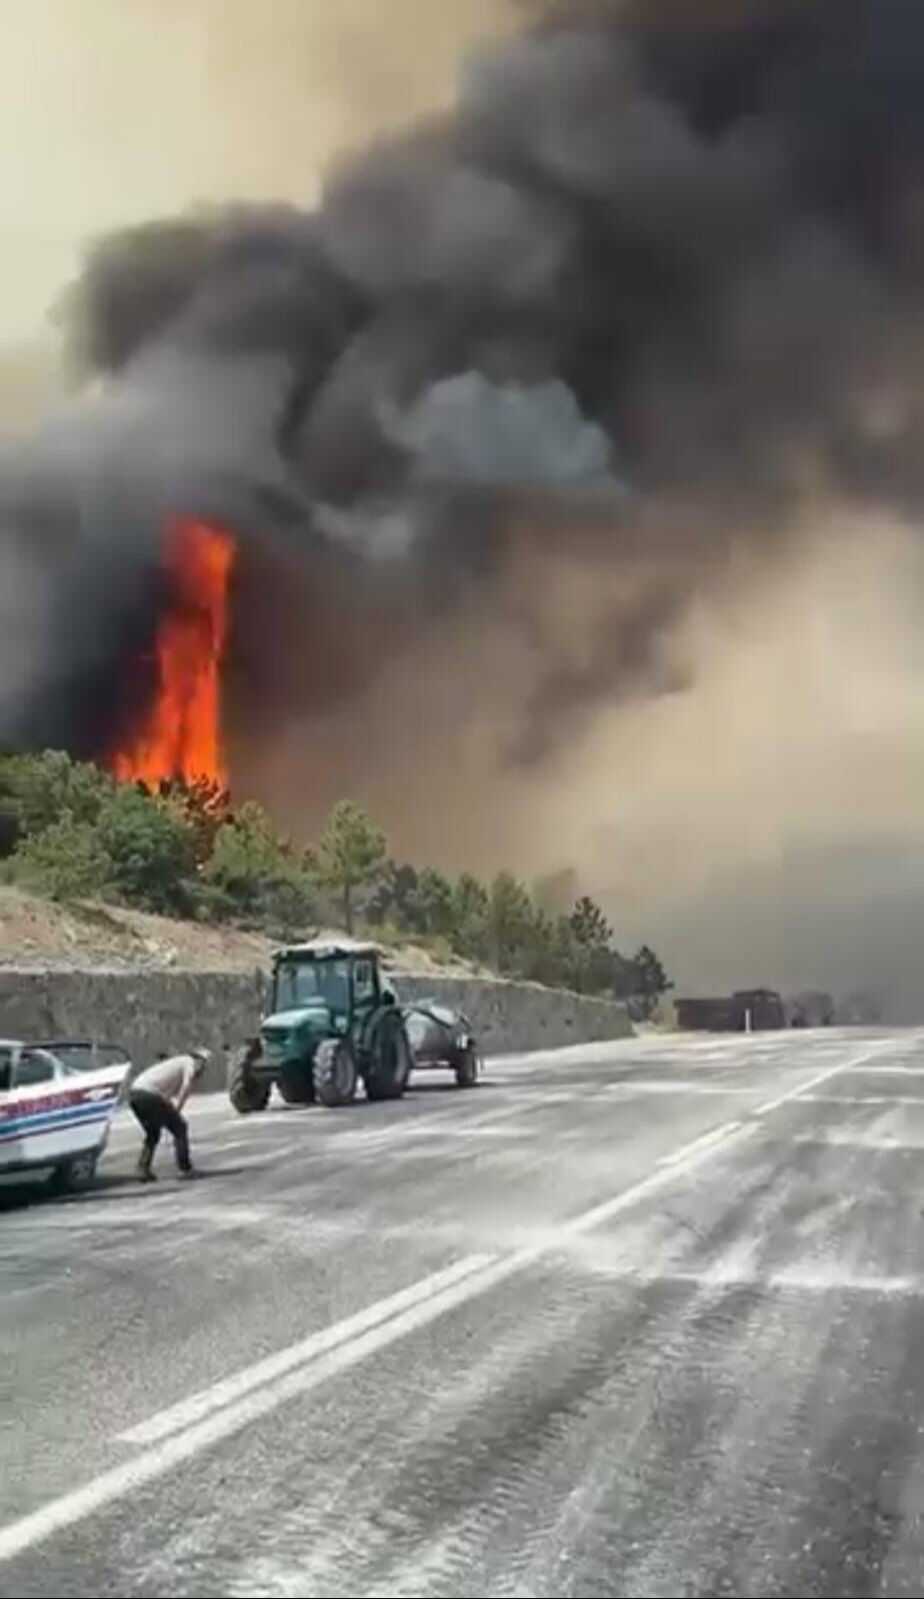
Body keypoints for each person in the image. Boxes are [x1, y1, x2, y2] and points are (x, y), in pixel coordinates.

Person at [129, 1047, 211, 1182]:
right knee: (180, 1127)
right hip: (149, 1094)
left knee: (153, 1132)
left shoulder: (174, 1064)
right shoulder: (188, 1062)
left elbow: (164, 1096)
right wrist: (178, 1110)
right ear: (198, 1059)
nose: (202, 1070)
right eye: (203, 1065)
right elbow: (186, 1086)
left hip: (135, 1094)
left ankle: (142, 1169)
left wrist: (171, 1110)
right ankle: (186, 1169)